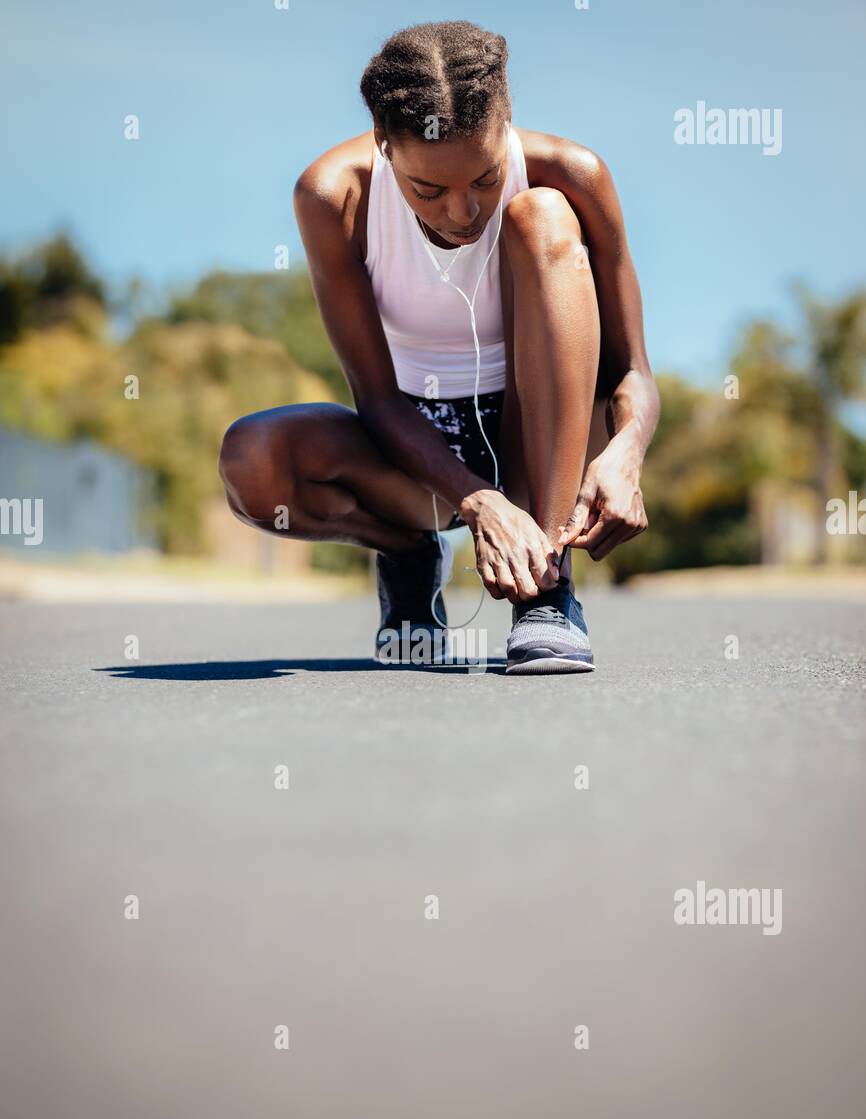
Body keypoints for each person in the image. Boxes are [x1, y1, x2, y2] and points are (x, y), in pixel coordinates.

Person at [219, 19, 659, 673]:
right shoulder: (333, 194)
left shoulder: (574, 173)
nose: (462, 213)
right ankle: (407, 551)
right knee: (253, 462)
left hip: (542, 434)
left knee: (543, 216)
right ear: (383, 144)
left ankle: (546, 587)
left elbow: (631, 376)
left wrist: (626, 452)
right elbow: (375, 397)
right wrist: (473, 498)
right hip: (416, 449)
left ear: (507, 122)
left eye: (484, 178)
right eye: (429, 190)